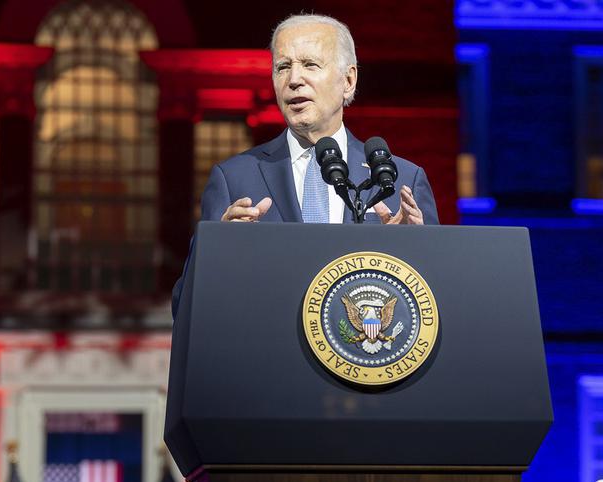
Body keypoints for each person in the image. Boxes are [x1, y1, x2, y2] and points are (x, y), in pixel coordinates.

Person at [173, 14, 439, 314]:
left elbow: (435, 302)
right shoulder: (233, 179)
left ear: (348, 81)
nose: (294, 79)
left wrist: (414, 250)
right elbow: (185, 306)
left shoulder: (401, 179)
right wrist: (218, 254)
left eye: (310, 64)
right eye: (282, 67)